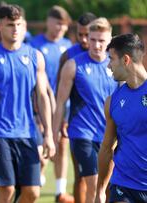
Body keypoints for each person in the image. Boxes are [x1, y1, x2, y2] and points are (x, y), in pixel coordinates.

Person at [0, 4, 55, 203]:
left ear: (25, 25)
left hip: (28, 133)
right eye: (10, 25)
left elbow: (43, 96)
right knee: (7, 190)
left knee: (33, 192)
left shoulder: (35, 57)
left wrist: (48, 134)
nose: (16, 29)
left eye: (19, 24)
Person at [53, 18, 118, 203]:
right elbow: (60, 104)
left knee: (106, 188)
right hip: (82, 134)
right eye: (93, 39)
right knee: (94, 183)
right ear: (87, 38)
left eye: (102, 40)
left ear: (110, 40)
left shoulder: (116, 68)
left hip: (109, 137)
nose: (97, 45)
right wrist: (53, 135)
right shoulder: (73, 65)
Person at [95, 33, 147, 203]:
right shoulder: (112, 101)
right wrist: (100, 190)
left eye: (111, 59)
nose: (108, 65)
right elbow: (106, 148)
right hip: (122, 185)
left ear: (126, 60)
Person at [30, 6, 72, 199]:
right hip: (40, 104)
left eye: (63, 26)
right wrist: (36, 106)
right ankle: (37, 173)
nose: (60, 29)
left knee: (62, 144)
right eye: (57, 24)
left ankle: (60, 190)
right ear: (48, 22)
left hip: (64, 105)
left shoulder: (67, 45)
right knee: (41, 149)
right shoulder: (35, 44)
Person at [55, 12, 97, 203]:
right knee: (82, 175)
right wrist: (62, 119)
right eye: (80, 34)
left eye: (87, 34)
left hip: (106, 126)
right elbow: (60, 95)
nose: (84, 39)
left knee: (109, 178)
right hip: (79, 126)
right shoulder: (69, 56)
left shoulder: (110, 55)